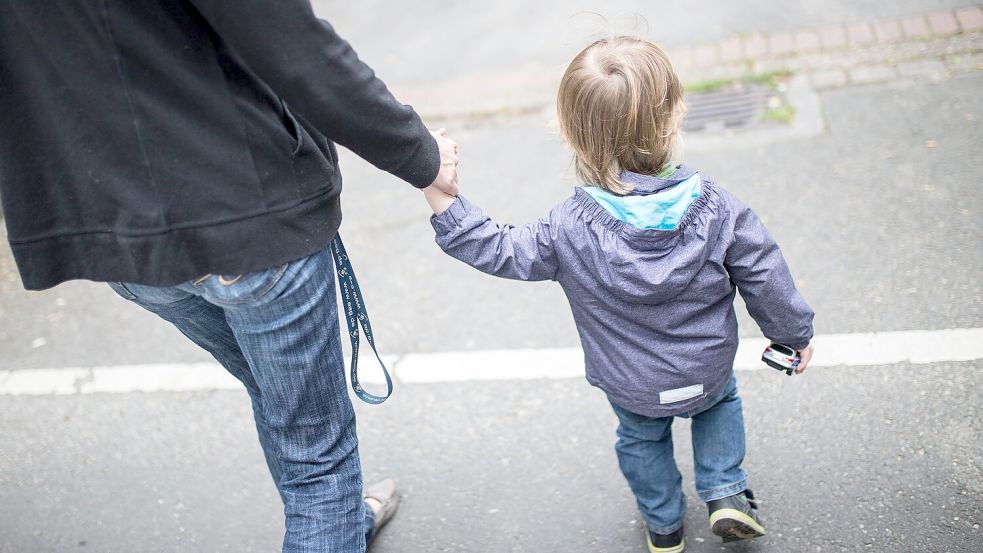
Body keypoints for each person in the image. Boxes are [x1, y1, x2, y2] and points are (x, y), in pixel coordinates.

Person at [0, 1, 458, 551]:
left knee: (279, 399)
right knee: (318, 462)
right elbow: (296, 47)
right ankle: (329, 521)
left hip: (119, 234)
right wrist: (421, 155)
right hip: (244, 210)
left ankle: (337, 524)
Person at [421, 36, 815, 552]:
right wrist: (793, 335)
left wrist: (436, 190)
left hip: (628, 381)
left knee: (640, 438)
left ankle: (665, 525)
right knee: (719, 407)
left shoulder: (566, 228)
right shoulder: (720, 208)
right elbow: (766, 275)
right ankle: (725, 492)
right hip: (706, 368)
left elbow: (500, 248)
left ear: (570, 134)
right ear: (674, 118)